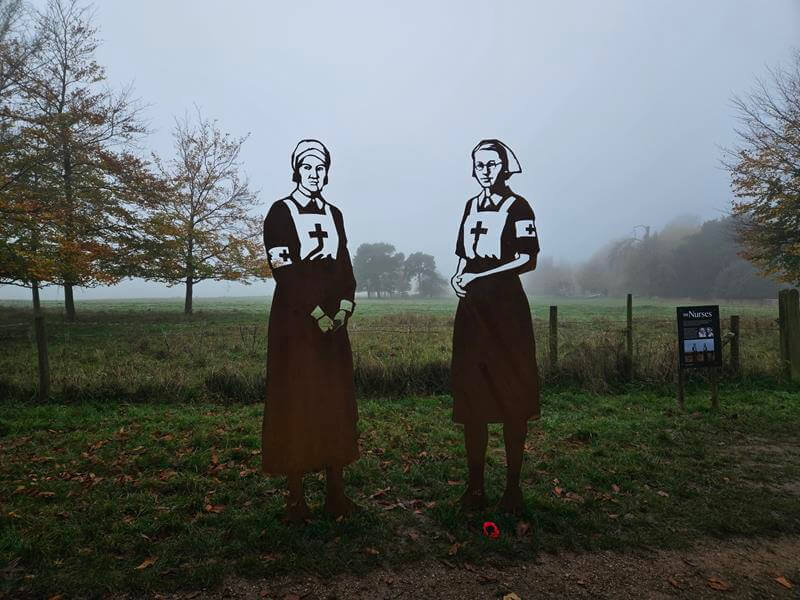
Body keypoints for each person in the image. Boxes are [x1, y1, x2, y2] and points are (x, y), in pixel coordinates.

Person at [261, 139, 359, 522]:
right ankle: (295, 496)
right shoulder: (280, 213)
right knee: (296, 402)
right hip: (295, 321)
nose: (314, 175)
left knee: (334, 401)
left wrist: (345, 306)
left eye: (320, 169)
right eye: (307, 168)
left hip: (332, 324)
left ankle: (336, 490)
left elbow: (344, 262)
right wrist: (316, 312)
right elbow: (284, 270)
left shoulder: (335, 213)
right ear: (296, 171)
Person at [450, 139, 541, 513]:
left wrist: (483, 274)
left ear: (504, 167)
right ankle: (475, 489)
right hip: (472, 313)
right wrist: (459, 277)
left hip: (506, 313)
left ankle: (513, 490)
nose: (485, 170)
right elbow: (462, 254)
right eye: (479, 165)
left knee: (511, 399)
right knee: (474, 399)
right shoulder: (471, 206)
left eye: (492, 164)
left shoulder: (519, 207)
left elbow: (527, 258)